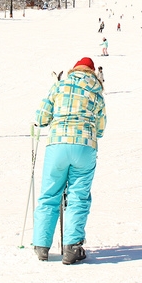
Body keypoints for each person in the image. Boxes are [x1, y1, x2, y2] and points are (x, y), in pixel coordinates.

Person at [33, 57, 106, 264]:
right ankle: (72, 247)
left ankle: (41, 245)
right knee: (78, 196)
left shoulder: (59, 86)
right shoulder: (96, 92)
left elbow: (42, 117)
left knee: (50, 193)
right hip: (84, 146)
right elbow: (101, 127)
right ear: (92, 72)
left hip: (57, 145)